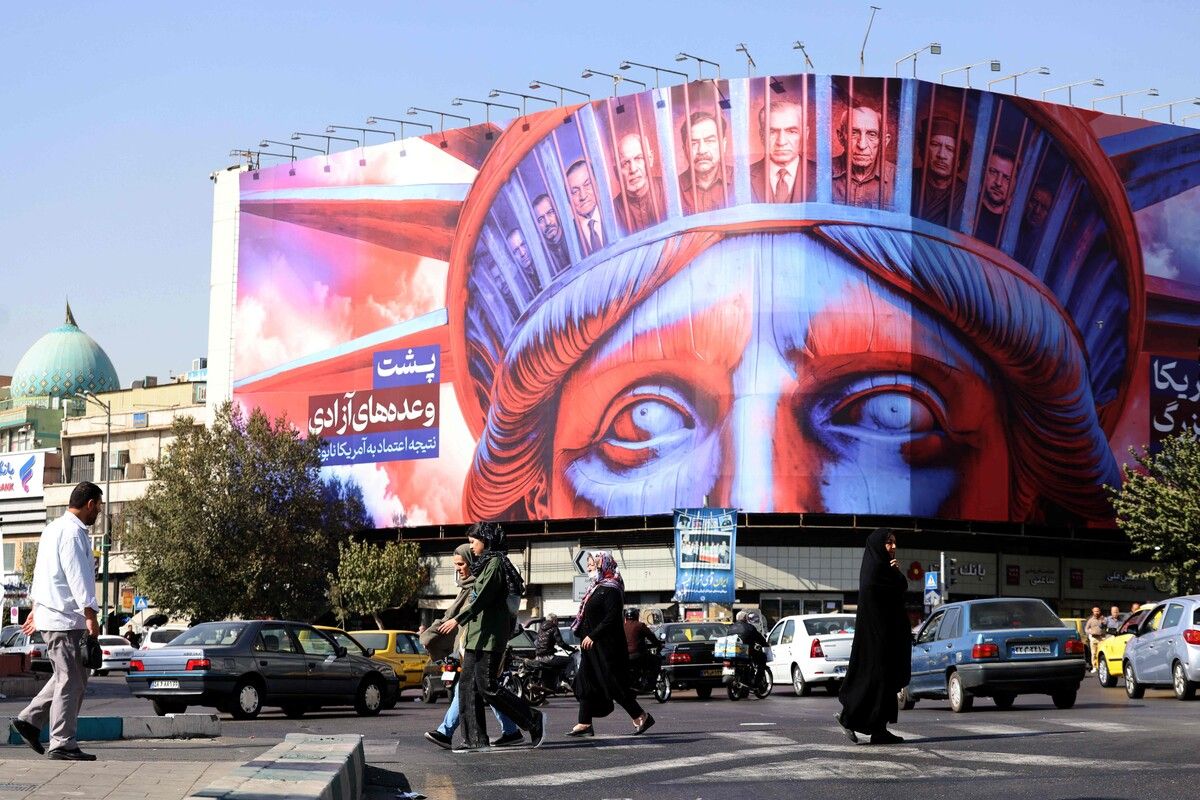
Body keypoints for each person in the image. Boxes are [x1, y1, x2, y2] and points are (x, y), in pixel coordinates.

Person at [10, 481, 103, 761]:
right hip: (65, 619)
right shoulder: (74, 533)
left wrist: (36, 607)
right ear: (90, 504)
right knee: (71, 680)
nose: (98, 512)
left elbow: (43, 573)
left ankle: (28, 721)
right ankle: (62, 742)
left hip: (54, 615)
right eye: (98, 506)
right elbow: (78, 576)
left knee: (71, 676)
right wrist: (91, 614)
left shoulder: (52, 528)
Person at [436, 523, 545, 751]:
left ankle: (533, 720)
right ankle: (475, 739)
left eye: (474, 541)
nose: (471, 545)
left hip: (490, 638)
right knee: (467, 687)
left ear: (486, 540)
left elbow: (482, 598)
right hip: (476, 637)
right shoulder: (484, 565)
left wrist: (457, 620)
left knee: (488, 687)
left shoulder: (495, 564)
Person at [422, 543, 521, 750]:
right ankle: (512, 731)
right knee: (482, 689)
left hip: (483, 646)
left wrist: (436, 633)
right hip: (471, 647)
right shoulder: (468, 586)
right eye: (455, 564)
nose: (458, 568)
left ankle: (445, 732)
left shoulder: (482, 585)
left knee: (470, 688)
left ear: (472, 562)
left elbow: (464, 616)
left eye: (461, 563)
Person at [567, 552, 654, 737]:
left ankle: (641, 716)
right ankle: (584, 723)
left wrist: (593, 635)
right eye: (589, 564)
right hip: (590, 647)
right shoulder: (596, 588)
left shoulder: (612, 589)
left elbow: (612, 618)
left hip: (605, 646)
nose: (589, 567)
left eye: (592, 564)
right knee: (584, 681)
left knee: (612, 683)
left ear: (602, 565)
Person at [837, 528, 910, 745]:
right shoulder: (875, 570)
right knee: (873, 680)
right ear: (878, 545)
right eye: (889, 543)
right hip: (875, 640)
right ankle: (848, 718)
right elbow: (890, 593)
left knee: (884, 683)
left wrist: (896, 574)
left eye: (895, 542)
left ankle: (879, 729)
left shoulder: (884, 569)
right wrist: (896, 576)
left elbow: (898, 591)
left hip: (886, 639)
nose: (893, 547)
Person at [750, 97, 816, 203]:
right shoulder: (743, 178)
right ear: (762, 136)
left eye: (791, 131)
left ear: (805, 134)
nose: (781, 142)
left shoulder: (824, 177)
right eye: (772, 132)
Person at [832, 103, 895, 208]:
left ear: (884, 141)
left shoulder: (899, 179)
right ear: (841, 137)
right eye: (854, 133)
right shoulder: (821, 173)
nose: (862, 145)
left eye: (872, 134)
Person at [912, 115, 967, 225]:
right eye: (935, 145)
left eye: (950, 149)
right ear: (924, 149)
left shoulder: (965, 195)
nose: (941, 155)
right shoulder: (908, 180)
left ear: (959, 159)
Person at [678, 110, 733, 214]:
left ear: (723, 145)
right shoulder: (673, 190)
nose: (702, 150)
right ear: (685, 149)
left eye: (709, 141)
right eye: (693, 143)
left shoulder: (742, 181)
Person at [612, 133, 666, 232]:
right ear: (616, 172)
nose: (633, 169)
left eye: (638, 158)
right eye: (625, 163)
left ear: (650, 159)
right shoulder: (613, 211)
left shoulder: (670, 189)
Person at [975, 146, 1017, 245]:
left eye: (1006, 178)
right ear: (983, 171)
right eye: (993, 172)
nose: (998, 182)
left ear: (1015, 183)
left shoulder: (1014, 229)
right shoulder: (963, 205)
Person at [566, 160, 605, 256]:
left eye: (587, 184)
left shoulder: (617, 212)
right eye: (575, 192)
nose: (583, 196)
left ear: (597, 183)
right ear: (568, 198)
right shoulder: (569, 236)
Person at [531, 193, 570, 272]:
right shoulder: (541, 258)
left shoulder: (574, 235)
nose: (548, 222)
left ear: (557, 212)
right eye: (540, 219)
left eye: (550, 212)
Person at [729, 610, 769, 681]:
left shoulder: (731, 627)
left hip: (732, 651)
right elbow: (759, 637)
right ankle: (757, 680)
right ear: (745, 618)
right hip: (745, 651)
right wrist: (765, 644)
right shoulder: (749, 627)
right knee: (762, 657)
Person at [623, 607, 659, 682]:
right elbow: (651, 636)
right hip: (637, 654)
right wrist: (658, 644)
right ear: (637, 616)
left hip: (624, 656)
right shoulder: (640, 625)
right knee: (655, 660)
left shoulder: (622, 626)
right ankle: (649, 681)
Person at [1084, 606, 1107, 673]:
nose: (1096, 612)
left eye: (1098, 611)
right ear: (1093, 612)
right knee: (1093, 653)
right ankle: (1094, 667)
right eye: (1095, 611)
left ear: (1099, 611)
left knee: (1102, 653)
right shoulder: (1090, 620)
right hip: (1094, 638)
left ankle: (1102, 666)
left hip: (1102, 638)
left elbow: (1106, 626)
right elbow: (1086, 629)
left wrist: (1103, 622)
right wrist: (1091, 632)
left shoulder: (1103, 619)